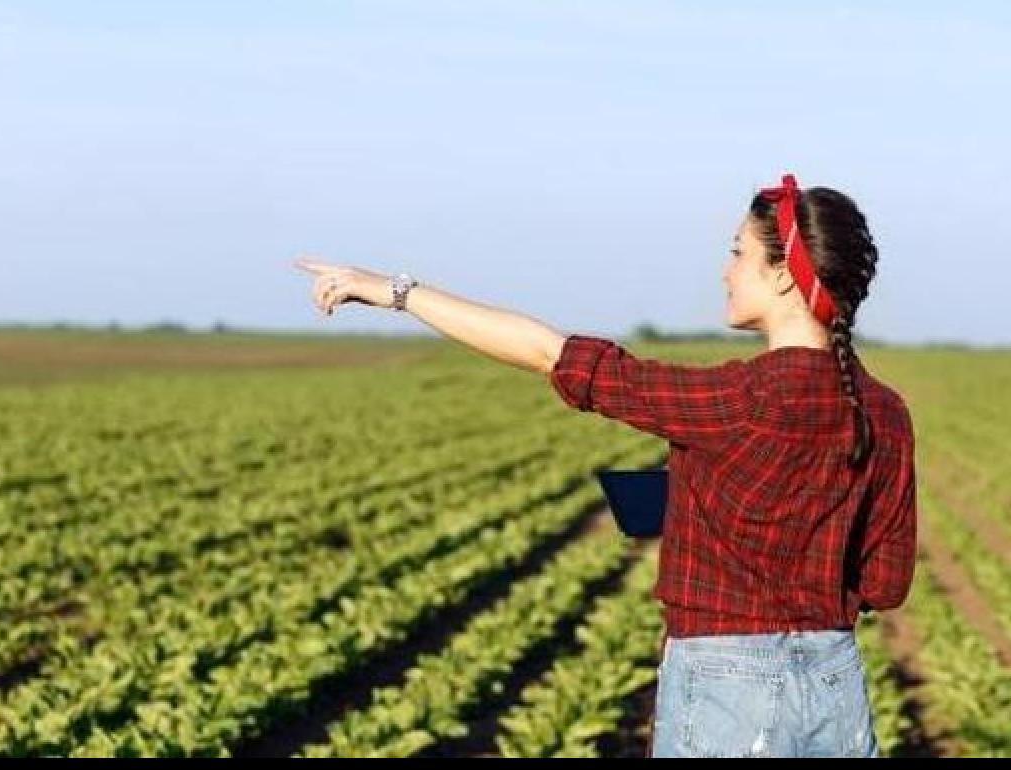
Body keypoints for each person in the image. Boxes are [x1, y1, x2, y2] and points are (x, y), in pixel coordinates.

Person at [291, 172, 916, 758]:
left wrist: (395, 292)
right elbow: (885, 585)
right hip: (835, 679)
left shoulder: (737, 399)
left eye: (737, 253)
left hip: (731, 683)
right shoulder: (887, 413)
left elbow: (547, 354)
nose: (725, 272)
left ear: (785, 276)